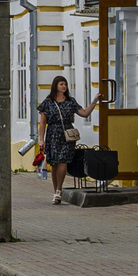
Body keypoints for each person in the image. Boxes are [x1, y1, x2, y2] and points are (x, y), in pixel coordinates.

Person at [37, 75, 108, 203]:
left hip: (67, 135)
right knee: (54, 164)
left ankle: (59, 190)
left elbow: (85, 113)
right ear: (55, 86)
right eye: (61, 84)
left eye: (65, 84)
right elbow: (42, 123)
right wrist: (41, 139)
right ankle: (55, 191)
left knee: (63, 161)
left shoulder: (70, 101)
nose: (64, 86)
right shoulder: (48, 102)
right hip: (52, 134)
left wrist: (95, 101)